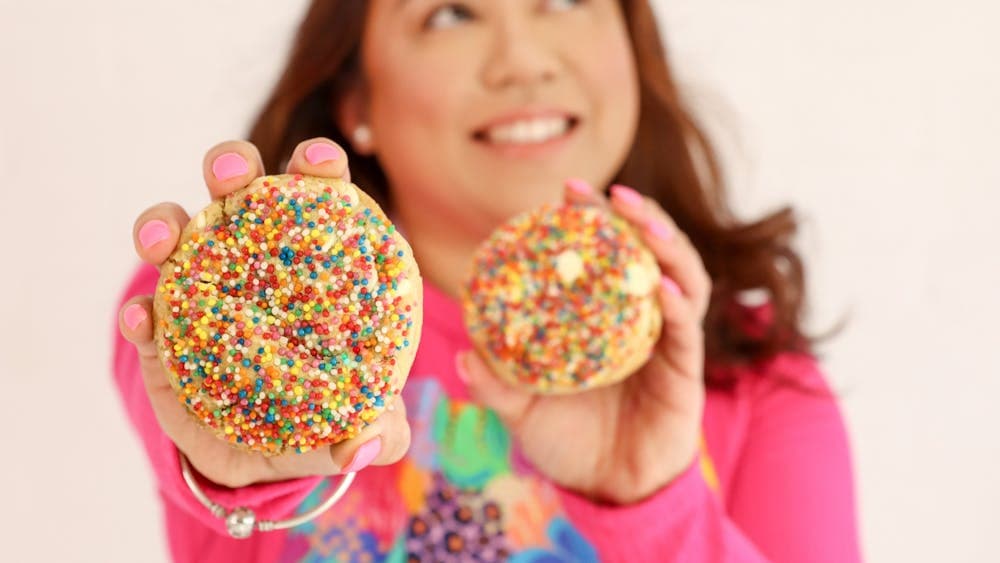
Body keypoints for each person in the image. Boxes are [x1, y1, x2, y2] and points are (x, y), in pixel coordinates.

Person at [113, 1, 862, 561]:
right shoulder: (218, 308)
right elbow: (213, 464)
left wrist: (648, 501)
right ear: (357, 104)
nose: (523, 60)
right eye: (448, 14)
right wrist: (245, 459)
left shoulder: (760, 379)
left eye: (567, 0)